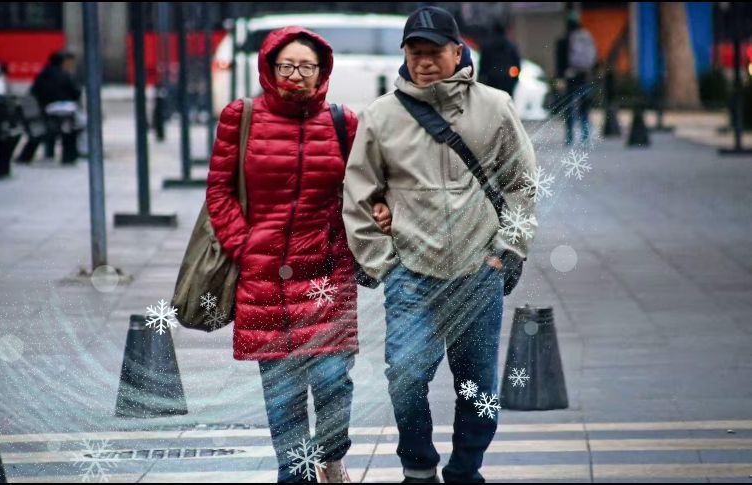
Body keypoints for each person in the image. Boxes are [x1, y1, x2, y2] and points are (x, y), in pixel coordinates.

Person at [342, 6, 537, 483]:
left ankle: (466, 470)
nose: (425, 61)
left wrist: (506, 252)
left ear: (457, 51)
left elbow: (522, 184)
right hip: (411, 274)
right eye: (416, 52)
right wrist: (385, 263)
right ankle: (418, 465)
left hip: (477, 271)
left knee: (477, 388)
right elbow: (359, 192)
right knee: (405, 377)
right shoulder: (382, 116)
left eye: (435, 52)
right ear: (405, 55)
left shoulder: (494, 107)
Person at [206, 27, 390, 483]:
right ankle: (296, 473)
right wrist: (245, 248)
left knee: (332, 379)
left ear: (321, 71)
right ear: (269, 68)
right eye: (286, 65)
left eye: (305, 66)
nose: (295, 74)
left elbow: (367, 185)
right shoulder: (240, 116)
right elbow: (220, 192)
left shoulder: (342, 121)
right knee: (282, 391)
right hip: (265, 275)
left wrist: (380, 214)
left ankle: (331, 457)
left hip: (326, 272)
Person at [29, 50, 85, 163]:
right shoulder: (64, 75)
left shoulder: (43, 74)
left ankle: (51, 153)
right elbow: (76, 93)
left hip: (45, 109)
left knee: (68, 124)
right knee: (81, 123)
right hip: (61, 110)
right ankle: (80, 151)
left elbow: (34, 91)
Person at [555, 11, 597, 146]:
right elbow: (594, 59)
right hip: (584, 77)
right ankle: (585, 135)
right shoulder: (585, 37)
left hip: (569, 77)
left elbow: (559, 62)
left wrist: (559, 77)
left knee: (569, 107)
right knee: (584, 107)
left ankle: (569, 136)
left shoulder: (563, 40)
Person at [477, 21, 521, 96]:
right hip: (507, 80)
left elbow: (483, 66)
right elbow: (517, 64)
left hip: (491, 81)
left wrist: (482, 79)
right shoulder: (511, 46)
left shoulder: (488, 46)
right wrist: (513, 78)